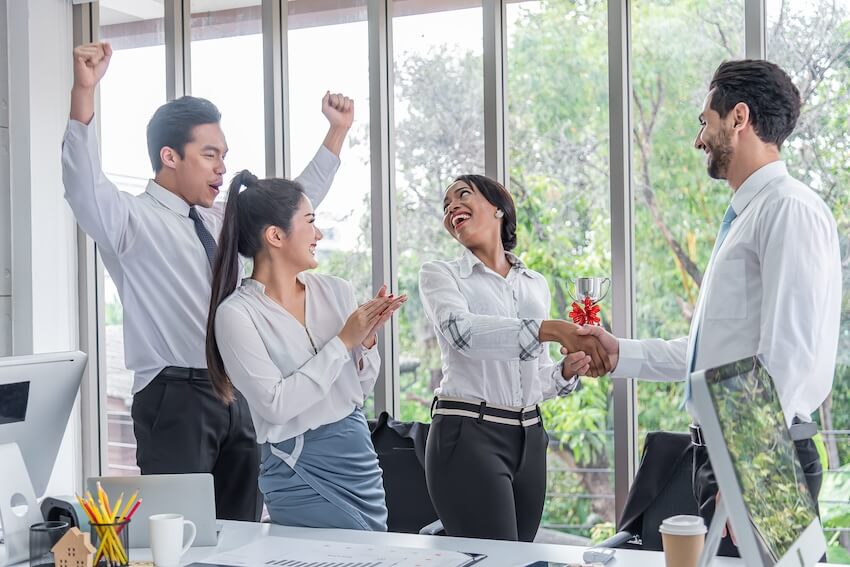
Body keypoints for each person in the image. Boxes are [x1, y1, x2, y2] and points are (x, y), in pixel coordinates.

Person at [62, 42, 354, 521]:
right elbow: (82, 183)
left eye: (224, 155)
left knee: (244, 532)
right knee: (179, 534)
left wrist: (336, 133)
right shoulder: (129, 220)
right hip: (175, 396)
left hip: (239, 391)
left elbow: (290, 207)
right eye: (210, 154)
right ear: (170, 156)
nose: (222, 167)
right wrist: (84, 92)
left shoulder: (222, 220)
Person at [578, 59, 841, 555]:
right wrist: (619, 354)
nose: (699, 139)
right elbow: (712, 356)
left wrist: (748, 471)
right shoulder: (747, 216)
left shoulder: (787, 208)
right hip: (724, 455)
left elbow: (788, 355)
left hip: (761, 456)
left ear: (738, 117)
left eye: (705, 122)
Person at [206, 170, 406, 530]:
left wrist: (366, 341)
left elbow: (358, 389)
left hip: (357, 456)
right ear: (275, 235)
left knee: (372, 551)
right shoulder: (236, 315)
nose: (319, 234)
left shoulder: (336, 290)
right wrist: (344, 341)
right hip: (296, 464)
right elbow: (275, 405)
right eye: (310, 222)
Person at [419, 174, 612, 542]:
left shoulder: (534, 283)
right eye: (446, 206)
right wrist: (550, 329)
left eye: (463, 195)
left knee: (520, 555)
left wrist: (564, 371)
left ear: (498, 209)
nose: (451, 207)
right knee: (498, 558)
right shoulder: (440, 274)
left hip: (530, 436)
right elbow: (463, 334)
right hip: (468, 434)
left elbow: (533, 376)